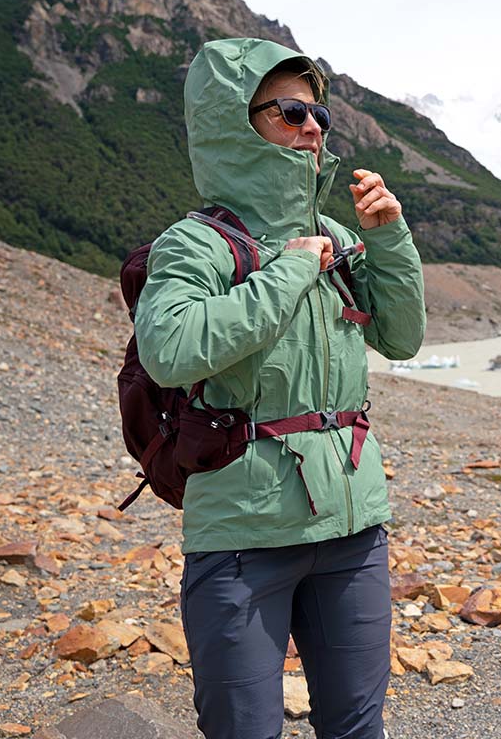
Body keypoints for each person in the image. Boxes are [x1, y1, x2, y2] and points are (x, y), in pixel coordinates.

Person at [134, 37, 424, 739]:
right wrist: (289, 272)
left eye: (317, 113)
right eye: (291, 112)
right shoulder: (196, 244)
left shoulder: (335, 235)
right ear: (238, 123)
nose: (314, 128)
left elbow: (403, 338)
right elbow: (170, 350)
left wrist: (388, 239)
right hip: (241, 533)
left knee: (357, 727)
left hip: (355, 528)